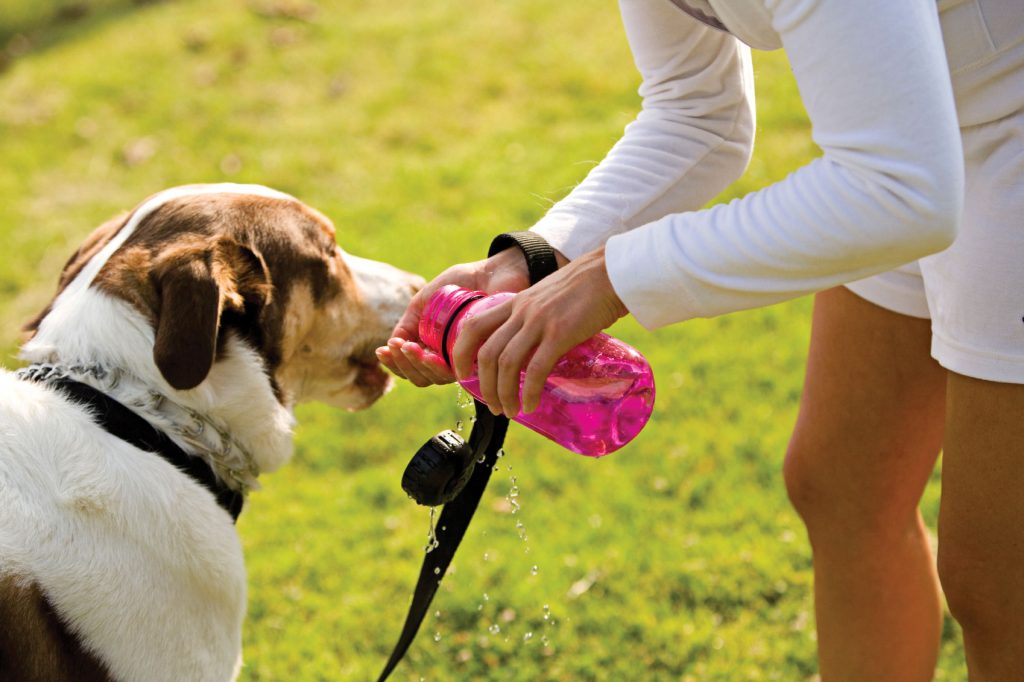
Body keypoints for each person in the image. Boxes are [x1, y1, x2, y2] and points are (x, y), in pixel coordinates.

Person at [375, 0, 1024, 679]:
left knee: (998, 573)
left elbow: (902, 197)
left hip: (964, 144)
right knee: (843, 487)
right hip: (907, 138)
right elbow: (697, 113)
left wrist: (612, 276)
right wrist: (536, 261)